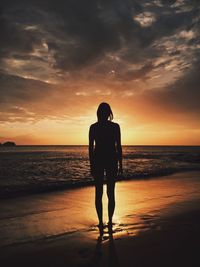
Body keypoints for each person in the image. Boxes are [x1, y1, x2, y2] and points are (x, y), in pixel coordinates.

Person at [89, 102, 123, 234]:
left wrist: (91, 165)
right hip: (110, 160)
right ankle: (108, 221)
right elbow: (118, 147)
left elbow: (90, 149)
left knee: (100, 193)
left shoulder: (94, 127)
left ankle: (101, 222)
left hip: (99, 160)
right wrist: (121, 164)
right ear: (109, 113)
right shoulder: (115, 127)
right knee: (110, 192)